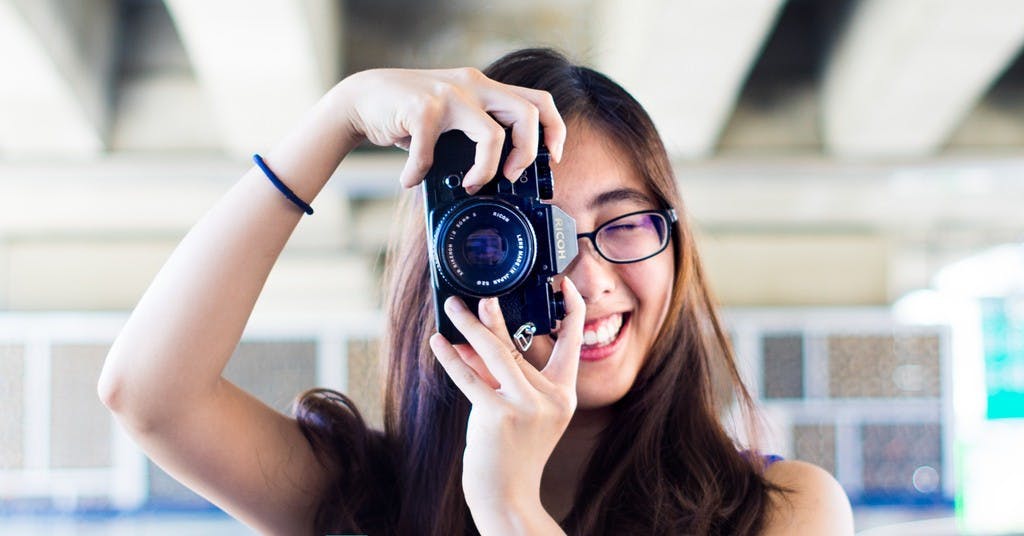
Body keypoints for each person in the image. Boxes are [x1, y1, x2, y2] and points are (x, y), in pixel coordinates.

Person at [98, 48, 854, 535]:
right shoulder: (366, 499)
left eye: (624, 225)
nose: (588, 279)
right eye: (534, 237)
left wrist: (513, 511)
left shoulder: (783, 513)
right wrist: (339, 115)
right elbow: (148, 394)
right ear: (458, 262)